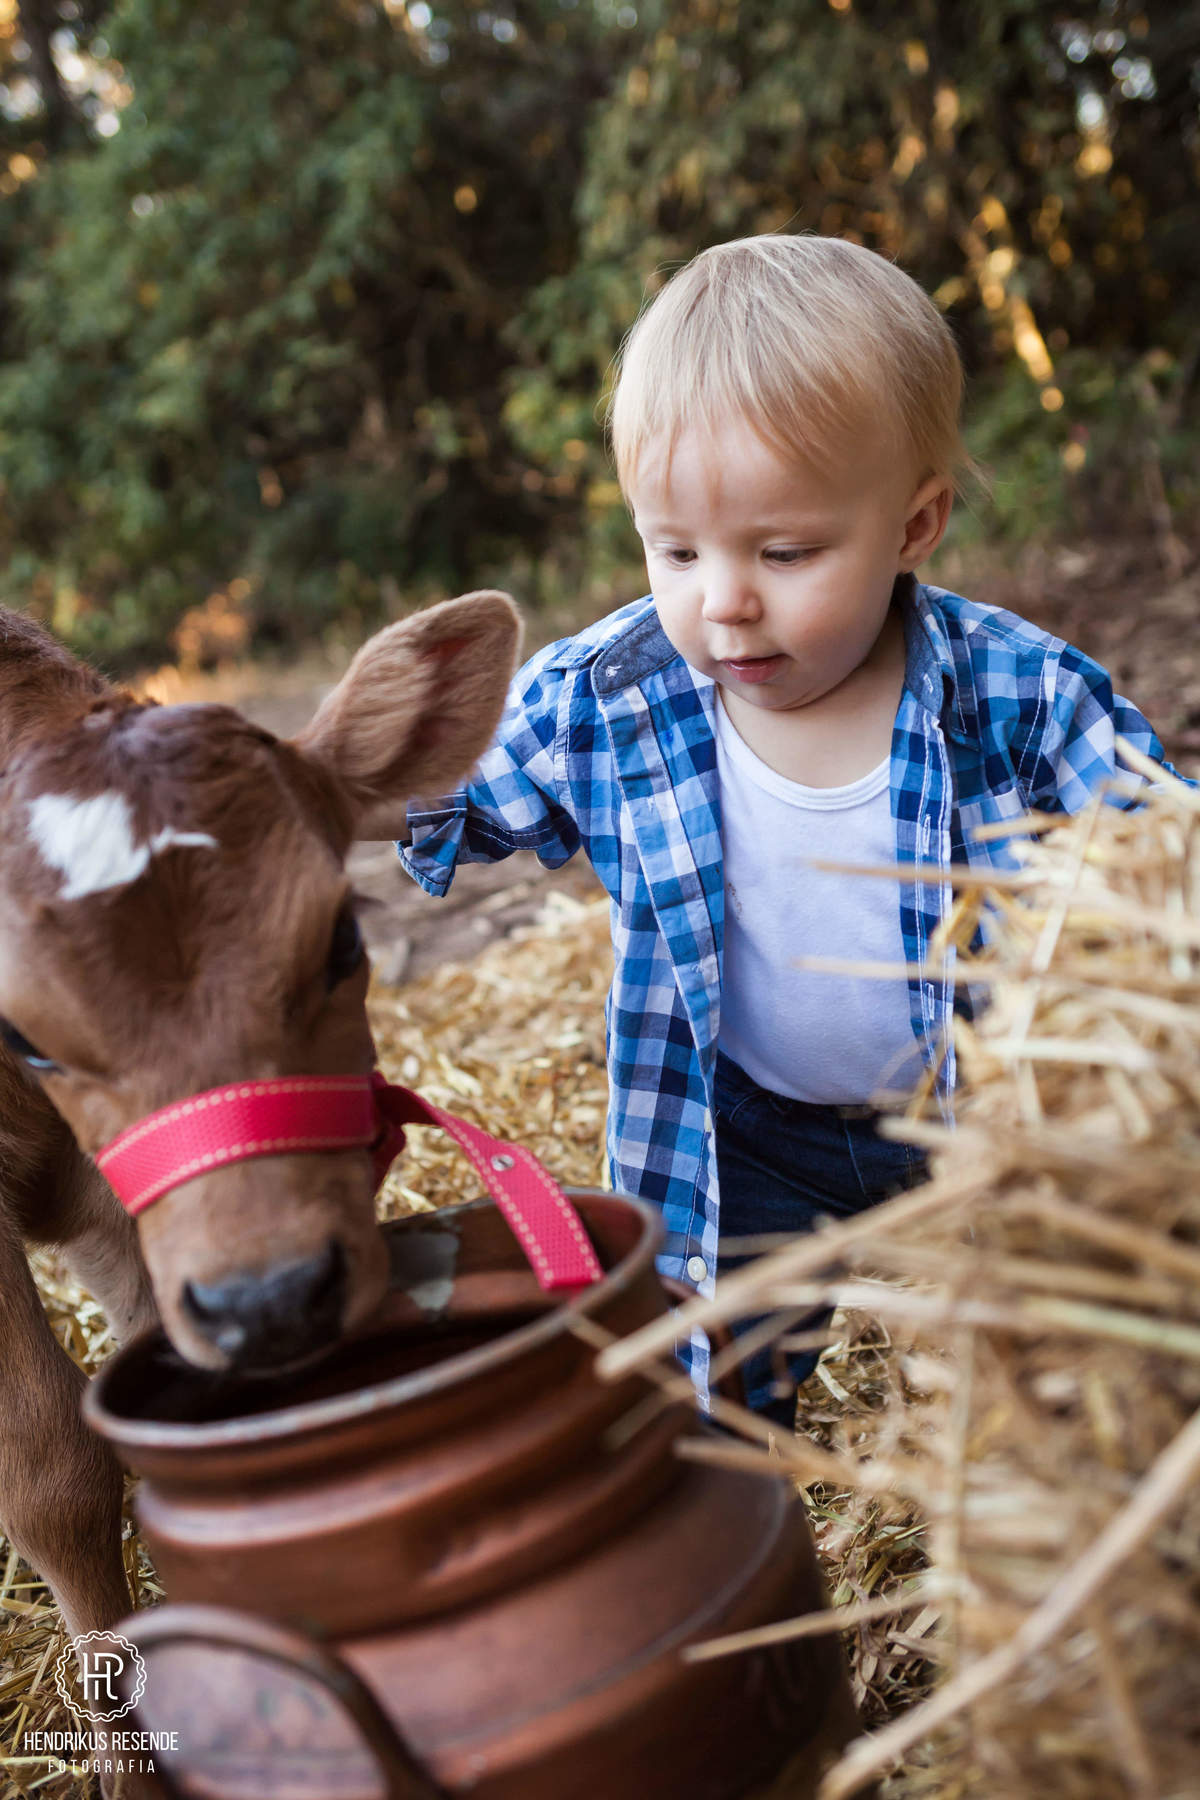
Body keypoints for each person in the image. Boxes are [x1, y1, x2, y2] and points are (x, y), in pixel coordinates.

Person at [397, 234, 1178, 1424]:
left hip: (976, 1118)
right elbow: (431, 781)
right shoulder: (612, 697)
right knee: (704, 1397)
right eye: (676, 550)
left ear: (915, 526)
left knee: (1072, 1384)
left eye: (785, 551)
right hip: (741, 1127)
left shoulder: (1014, 690)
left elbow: (1156, 856)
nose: (724, 602)